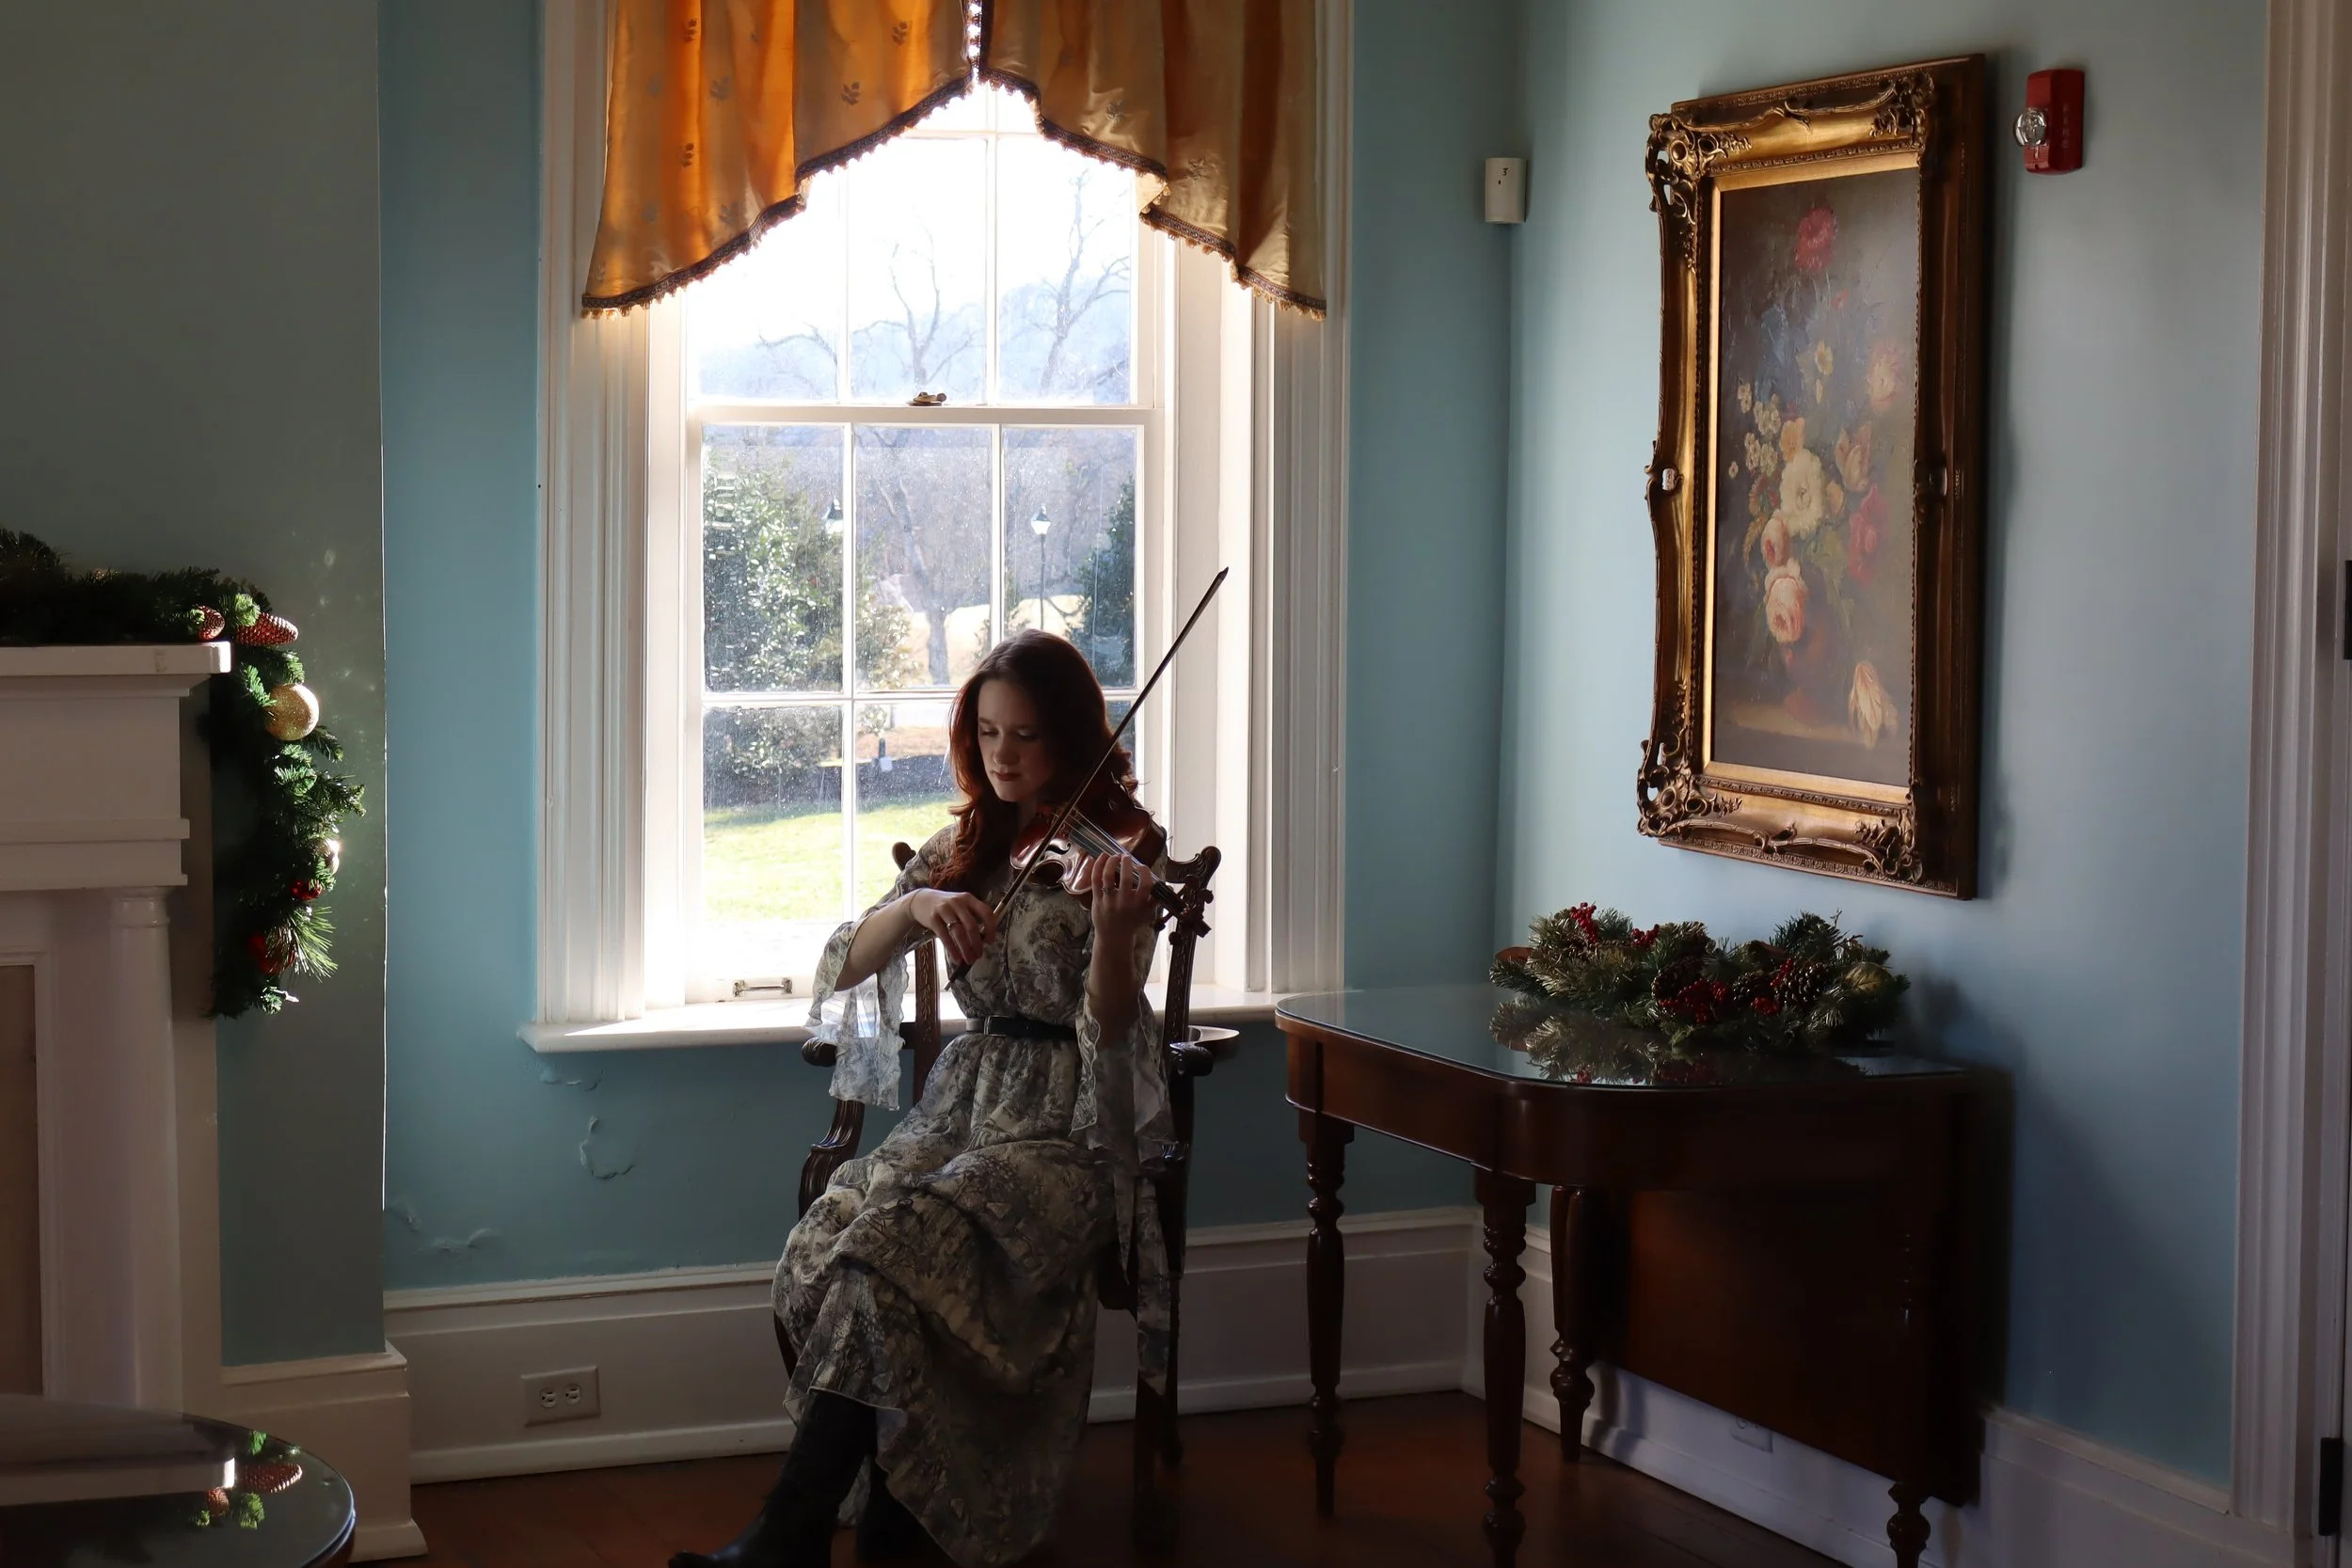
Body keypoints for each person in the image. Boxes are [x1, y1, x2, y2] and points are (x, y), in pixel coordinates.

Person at [671, 630, 1174, 1568]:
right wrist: (916, 908)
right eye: (987, 731)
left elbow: (1111, 1032)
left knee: (894, 1246)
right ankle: (894, 1520)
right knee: (837, 1236)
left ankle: (792, 1530)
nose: (1003, 754)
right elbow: (843, 963)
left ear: (1070, 735)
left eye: (1025, 733)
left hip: (1060, 1131)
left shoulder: (1121, 853)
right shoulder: (962, 846)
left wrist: (1112, 935)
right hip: (958, 1111)